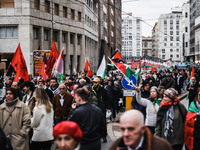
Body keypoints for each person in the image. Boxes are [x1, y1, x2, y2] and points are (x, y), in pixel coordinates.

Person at [91, 77, 107, 142]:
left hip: (102, 108)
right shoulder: (91, 89)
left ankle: (104, 136)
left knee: (103, 122)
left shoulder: (103, 90)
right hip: (94, 108)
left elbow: (106, 98)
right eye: (94, 82)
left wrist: (106, 106)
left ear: (99, 83)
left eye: (96, 82)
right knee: (94, 122)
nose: (94, 84)